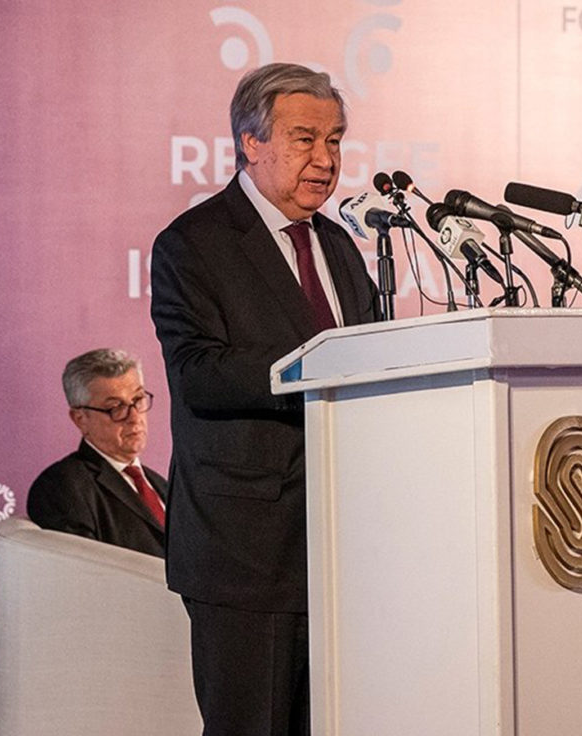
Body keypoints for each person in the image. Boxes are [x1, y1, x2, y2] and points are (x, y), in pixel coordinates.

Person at [150, 63, 380, 735]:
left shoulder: (338, 245)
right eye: (305, 138)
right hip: (247, 546)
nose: (324, 158)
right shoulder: (194, 244)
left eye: (334, 140)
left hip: (344, 540)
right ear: (251, 143)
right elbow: (198, 372)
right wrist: (316, 367)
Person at [26, 348, 166, 558]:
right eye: (116, 407)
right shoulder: (62, 487)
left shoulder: (162, 484)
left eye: (137, 400)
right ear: (80, 419)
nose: (135, 417)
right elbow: (85, 577)